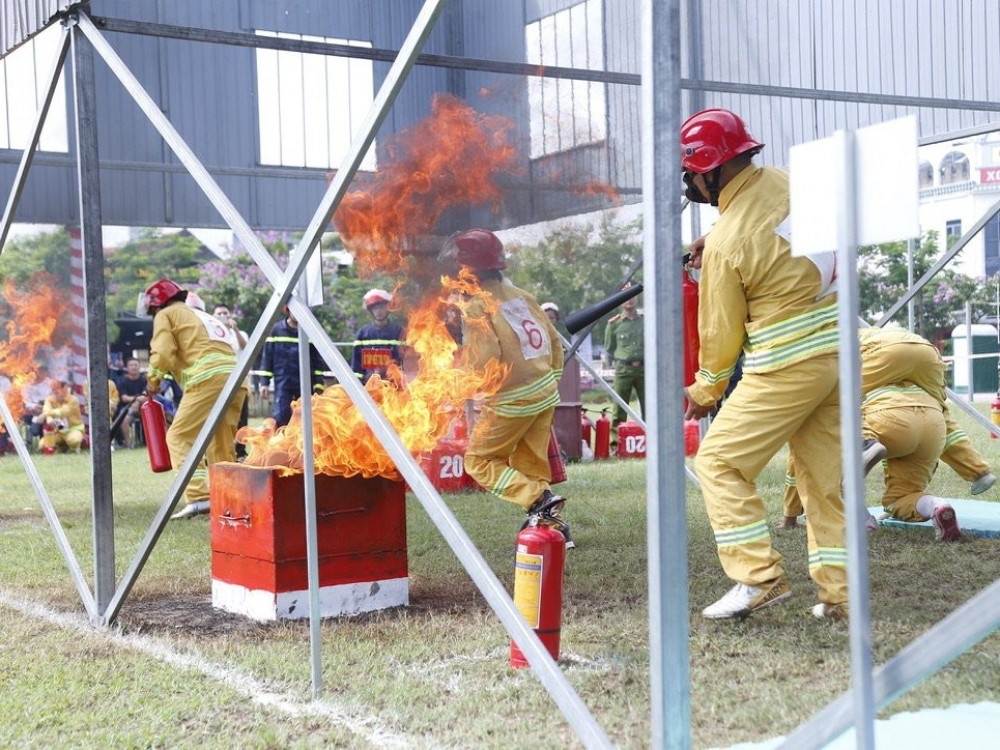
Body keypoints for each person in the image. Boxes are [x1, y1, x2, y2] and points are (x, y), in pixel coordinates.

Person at [681, 108, 847, 620]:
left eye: (691, 173)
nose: (690, 183)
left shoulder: (726, 244)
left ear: (710, 170)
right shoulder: (787, 183)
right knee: (823, 484)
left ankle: (758, 577)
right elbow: (777, 236)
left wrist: (704, 391)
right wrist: (717, 238)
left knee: (718, 463)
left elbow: (720, 333)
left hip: (786, 364)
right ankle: (841, 595)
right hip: (836, 354)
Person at [442, 228, 572, 547]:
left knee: (479, 461)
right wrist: (549, 379)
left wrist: (462, 386)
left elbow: (486, 357)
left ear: (466, 270)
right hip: (544, 393)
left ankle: (537, 499)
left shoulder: (476, 306)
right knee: (532, 465)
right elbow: (554, 341)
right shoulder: (522, 296)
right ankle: (552, 528)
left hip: (512, 400)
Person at [783, 327, 977, 540]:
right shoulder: (907, 374)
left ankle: (862, 514)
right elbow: (950, 425)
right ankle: (937, 505)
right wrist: (978, 471)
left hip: (887, 419)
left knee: (827, 461)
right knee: (901, 497)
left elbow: (800, 458)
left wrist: (789, 517)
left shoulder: (834, 361)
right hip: (934, 421)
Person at [138, 278, 248, 519]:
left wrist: (152, 381)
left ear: (156, 302)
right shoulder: (199, 315)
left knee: (178, 436)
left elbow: (163, 354)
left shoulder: (166, 314)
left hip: (207, 380)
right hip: (237, 380)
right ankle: (227, 501)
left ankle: (199, 497)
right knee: (221, 444)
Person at [258, 305, 326, 427]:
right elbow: (267, 357)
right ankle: (282, 438)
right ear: (288, 310)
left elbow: (317, 361)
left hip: (305, 383)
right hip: (283, 383)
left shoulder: (310, 331)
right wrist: (264, 382)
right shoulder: (277, 330)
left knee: (307, 419)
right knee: (282, 416)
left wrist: (318, 384)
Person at [603, 285, 645, 433]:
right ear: (620, 300)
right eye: (625, 297)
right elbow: (610, 347)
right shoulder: (614, 324)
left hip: (644, 369)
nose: (629, 300)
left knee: (650, 407)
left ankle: (649, 439)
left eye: (632, 296)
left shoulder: (645, 321)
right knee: (619, 409)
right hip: (623, 370)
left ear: (637, 298)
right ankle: (616, 442)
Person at [213, 303, 251, 459]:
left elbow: (246, 347)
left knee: (241, 418)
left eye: (225, 313)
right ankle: (221, 451)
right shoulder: (212, 333)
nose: (223, 316)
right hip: (220, 382)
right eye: (219, 313)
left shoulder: (239, 333)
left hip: (240, 382)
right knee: (220, 419)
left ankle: (240, 451)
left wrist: (234, 329)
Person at [352, 289, 405, 384]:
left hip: (392, 384)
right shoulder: (363, 333)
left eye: (382, 307)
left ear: (388, 309)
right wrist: (358, 384)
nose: (379, 311)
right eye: (375, 308)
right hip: (368, 384)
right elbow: (356, 363)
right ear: (371, 311)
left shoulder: (398, 331)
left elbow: (405, 360)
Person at [39, 380, 86, 454]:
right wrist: (49, 419)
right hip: (58, 431)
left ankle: (74, 446)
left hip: (73, 429)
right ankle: (61, 447)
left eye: (56, 389)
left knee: (74, 441)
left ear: (65, 388)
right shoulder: (49, 399)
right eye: (53, 389)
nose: (54, 392)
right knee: (42, 445)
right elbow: (46, 409)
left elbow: (62, 412)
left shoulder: (73, 400)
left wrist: (44, 414)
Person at [113, 357, 148, 448]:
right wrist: (137, 400)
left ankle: (150, 442)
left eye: (135, 365)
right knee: (123, 420)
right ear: (127, 368)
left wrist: (137, 402)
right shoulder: (122, 381)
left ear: (139, 366)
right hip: (127, 408)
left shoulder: (144, 380)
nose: (134, 367)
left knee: (152, 417)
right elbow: (124, 398)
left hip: (143, 408)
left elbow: (146, 396)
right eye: (131, 365)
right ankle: (128, 444)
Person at [20, 365, 53, 449]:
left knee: (43, 416)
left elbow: (53, 398)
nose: (39, 373)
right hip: (31, 411)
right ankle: (34, 438)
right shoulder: (26, 385)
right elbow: (24, 400)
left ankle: (31, 437)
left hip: (47, 411)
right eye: (38, 370)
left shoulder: (51, 384)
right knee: (34, 416)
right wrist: (34, 406)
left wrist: (44, 407)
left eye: (42, 371)